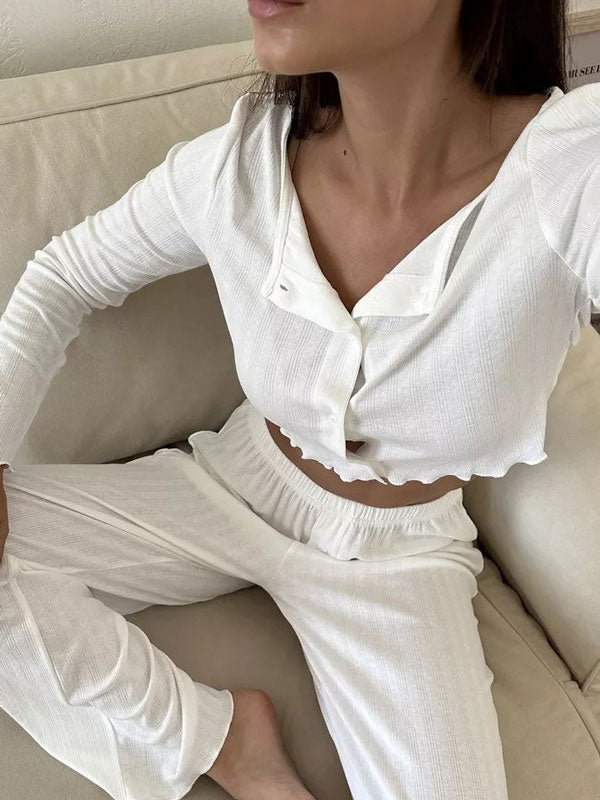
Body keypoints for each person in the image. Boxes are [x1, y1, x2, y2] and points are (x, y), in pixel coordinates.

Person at [0, 0, 596, 798]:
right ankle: (219, 741)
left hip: (397, 561)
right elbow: (62, 277)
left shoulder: (568, 168)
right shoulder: (239, 165)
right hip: (228, 483)